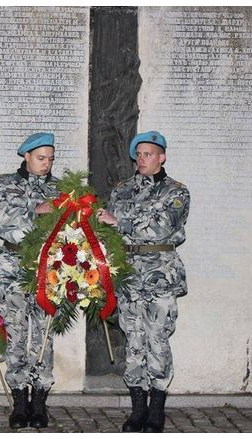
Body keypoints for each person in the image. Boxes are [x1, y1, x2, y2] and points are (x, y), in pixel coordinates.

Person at [97, 130, 190, 433]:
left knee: (158, 340)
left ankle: (157, 409)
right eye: (138, 154)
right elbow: (110, 233)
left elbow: (162, 228)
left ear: (162, 157)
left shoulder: (176, 192)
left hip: (160, 274)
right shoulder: (122, 190)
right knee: (134, 341)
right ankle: (138, 408)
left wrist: (119, 222)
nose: (142, 159)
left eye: (148, 154)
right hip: (128, 275)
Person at [0, 132, 59, 429]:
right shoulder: (5, 184)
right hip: (14, 266)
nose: (46, 164)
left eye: (50, 159)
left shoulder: (59, 189)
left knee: (44, 335)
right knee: (16, 332)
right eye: (41, 158)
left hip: (51, 269)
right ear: (26, 157)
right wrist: (36, 211)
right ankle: (19, 401)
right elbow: (3, 223)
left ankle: (39, 402)